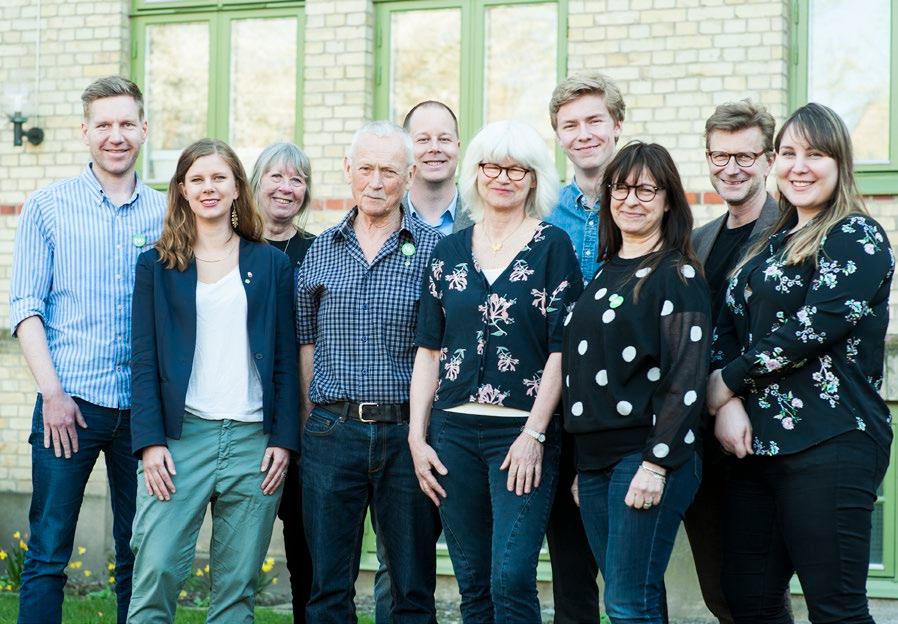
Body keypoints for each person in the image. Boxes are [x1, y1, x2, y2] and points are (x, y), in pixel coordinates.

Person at [707, 103, 894, 624]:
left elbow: (809, 331)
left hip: (831, 442)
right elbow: (727, 325)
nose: (799, 166)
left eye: (815, 154)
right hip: (754, 449)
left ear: (839, 163)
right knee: (750, 601)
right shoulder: (768, 244)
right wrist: (728, 403)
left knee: (835, 609)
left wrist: (725, 383)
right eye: (788, 153)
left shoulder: (857, 236)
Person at [410, 119, 583, 622]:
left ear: (534, 179)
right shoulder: (447, 252)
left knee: (510, 578)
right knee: (473, 583)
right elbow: (429, 350)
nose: (502, 177)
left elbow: (561, 351)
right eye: (492, 166)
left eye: (517, 168)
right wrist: (418, 439)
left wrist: (535, 432)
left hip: (521, 435)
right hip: (453, 434)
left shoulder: (554, 248)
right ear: (476, 173)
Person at [9, 76, 165, 624]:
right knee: (49, 552)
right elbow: (26, 307)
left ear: (144, 130)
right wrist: (51, 393)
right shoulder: (48, 206)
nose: (115, 135)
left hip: (144, 412)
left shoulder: (168, 212)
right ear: (84, 132)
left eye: (126, 124)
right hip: (68, 404)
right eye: (104, 124)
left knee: (136, 553)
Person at [127, 138, 299, 622]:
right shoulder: (156, 266)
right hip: (180, 441)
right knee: (156, 572)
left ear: (236, 187)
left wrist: (283, 440)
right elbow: (143, 361)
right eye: (197, 179)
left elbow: (285, 360)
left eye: (219, 178)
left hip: (253, 444)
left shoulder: (270, 263)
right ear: (181, 190)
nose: (209, 188)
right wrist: (150, 442)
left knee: (236, 588)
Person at [296, 121, 442, 623]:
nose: (376, 182)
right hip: (332, 432)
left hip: (408, 436)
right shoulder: (319, 251)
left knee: (411, 590)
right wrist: (309, 420)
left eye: (388, 171)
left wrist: (422, 432)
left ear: (410, 174)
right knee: (328, 589)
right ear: (347, 171)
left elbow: (441, 350)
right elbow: (306, 344)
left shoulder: (435, 252)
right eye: (365, 169)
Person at [562, 141, 710, 624]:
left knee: (627, 602)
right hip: (596, 462)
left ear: (669, 200)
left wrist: (657, 464)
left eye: (647, 189)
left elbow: (686, 379)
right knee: (632, 598)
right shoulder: (605, 271)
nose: (632, 199)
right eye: (620, 189)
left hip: (644, 455)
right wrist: (585, 468)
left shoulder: (677, 274)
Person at [687, 99, 789, 623]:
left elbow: (783, 336)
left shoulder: (790, 234)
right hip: (704, 443)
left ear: (769, 160)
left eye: (745, 157)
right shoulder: (698, 240)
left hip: (765, 439)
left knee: (759, 595)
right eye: (720, 155)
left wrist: (730, 395)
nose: (731, 167)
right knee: (719, 591)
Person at [543, 71, 626, 623]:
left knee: (630, 574)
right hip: (556, 411)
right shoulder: (546, 211)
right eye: (569, 124)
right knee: (572, 575)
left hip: (625, 412)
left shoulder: (649, 201)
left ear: (618, 125)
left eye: (594, 120)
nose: (583, 134)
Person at [250, 142, 315, 621]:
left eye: (296, 179)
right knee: (238, 556)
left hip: (304, 422)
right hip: (241, 417)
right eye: (275, 176)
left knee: (305, 555)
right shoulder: (230, 247)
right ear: (255, 183)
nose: (285, 188)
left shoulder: (316, 253)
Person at [401, 100, 474, 235]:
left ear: (458, 148)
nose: (434, 148)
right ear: (405, 150)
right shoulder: (386, 218)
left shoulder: (483, 218)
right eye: (423, 139)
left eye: (444, 139)